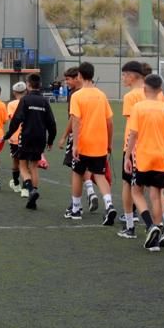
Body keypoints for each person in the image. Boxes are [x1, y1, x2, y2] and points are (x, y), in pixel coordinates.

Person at [123, 73, 164, 251]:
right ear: (160, 89)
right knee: (156, 195)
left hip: (143, 157)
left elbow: (133, 134)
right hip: (161, 158)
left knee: (136, 192)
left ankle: (150, 226)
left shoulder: (138, 107)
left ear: (145, 88)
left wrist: (127, 156)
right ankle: (156, 236)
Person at [66, 62, 116, 224]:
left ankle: (76, 208)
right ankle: (109, 205)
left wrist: (75, 144)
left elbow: (75, 120)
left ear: (79, 76)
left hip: (83, 143)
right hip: (100, 143)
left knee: (77, 173)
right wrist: (109, 142)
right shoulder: (101, 95)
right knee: (99, 175)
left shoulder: (77, 96)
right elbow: (110, 122)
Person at [3, 73, 58, 210]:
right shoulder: (44, 101)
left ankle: (30, 190)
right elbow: (52, 123)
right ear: (40, 85)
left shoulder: (25, 100)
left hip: (26, 136)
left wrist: (8, 134)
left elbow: (16, 119)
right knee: (33, 166)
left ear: (28, 85)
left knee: (23, 165)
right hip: (40, 138)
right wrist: (50, 140)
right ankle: (33, 195)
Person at [115, 60, 150, 239]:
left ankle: (130, 225)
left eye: (124, 75)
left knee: (128, 185)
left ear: (131, 75)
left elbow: (132, 127)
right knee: (151, 188)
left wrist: (128, 153)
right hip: (153, 145)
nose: (123, 78)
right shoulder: (155, 93)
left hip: (134, 147)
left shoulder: (131, 96)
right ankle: (162, 223)